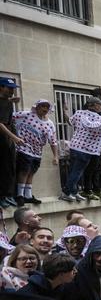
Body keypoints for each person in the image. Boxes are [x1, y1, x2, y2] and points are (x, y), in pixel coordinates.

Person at [12, 98, 57, 205]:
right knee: (24, 171)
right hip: (24, 148)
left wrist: (55, 156)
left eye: (47, 107)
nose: (45, 109)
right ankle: (20, 195)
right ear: (37, 107)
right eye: (43, 106)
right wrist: (14, 136)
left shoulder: (50, 124)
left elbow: (53, 141)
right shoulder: (26, 115)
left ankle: (28, 195)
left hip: (38, 151)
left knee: (32, 172)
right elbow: (9, 118)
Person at [0, 76, 21, 208]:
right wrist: (13, 137)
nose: (12, 91)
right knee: (3, 168)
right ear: (1, 87)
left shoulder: (7, 102)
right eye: (9, 88)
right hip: (2, 139)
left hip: (7, 140)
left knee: (10, 168)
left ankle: (7, 195)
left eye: (13, 88)